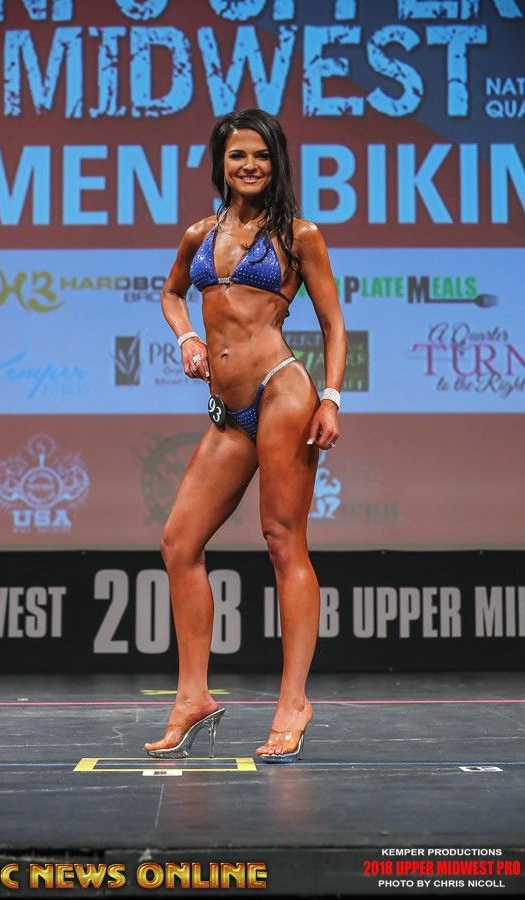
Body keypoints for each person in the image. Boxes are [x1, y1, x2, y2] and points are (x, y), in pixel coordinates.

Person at [144, 107, 347, 764]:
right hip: (228, 411)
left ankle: (293, 703)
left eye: (260, 155)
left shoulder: (300, 237)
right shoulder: (199, 234)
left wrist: (332, 399)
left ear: (276, 162)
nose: (249, 165)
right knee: (179, 543)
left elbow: (333, 324)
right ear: (222, 164)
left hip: (284, 393)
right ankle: (192, 697)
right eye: (238, 155)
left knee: (283, 541)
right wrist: (187, 338)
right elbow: (172, 294)